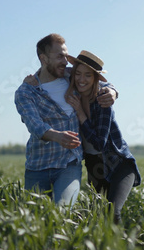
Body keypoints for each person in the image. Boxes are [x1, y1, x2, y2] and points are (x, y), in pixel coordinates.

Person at [14, 34, 117, 207]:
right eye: (60, 56)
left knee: (61, 210)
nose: (65, 61)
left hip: (69, 164)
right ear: (44, 59)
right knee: (35, 218)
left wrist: (113, 91)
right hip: (38, 165)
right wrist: (57, 136)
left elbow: (97, 80)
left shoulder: (72, 77)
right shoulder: (26, 92)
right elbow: (35, 125)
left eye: (66, 55)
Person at [65, 50, 141, 223]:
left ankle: (124, 248)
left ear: (95, 79)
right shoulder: (72, 89)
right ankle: (103, 249)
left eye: (87, 76)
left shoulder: (102, 100)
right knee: (99, 216)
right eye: (78, 74)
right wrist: (32, 78)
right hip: (94, 165)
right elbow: (53, 70)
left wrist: (80, 113)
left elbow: (99, 143)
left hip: (119, 163)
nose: (81, 79)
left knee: (113, 212)